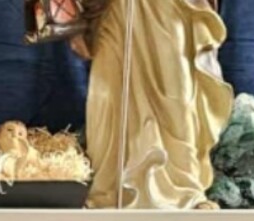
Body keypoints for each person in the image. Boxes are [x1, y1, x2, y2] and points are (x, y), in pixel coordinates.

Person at [76, 0, 233, 210]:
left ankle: (183, 188)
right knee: (112, 93)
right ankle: (111, 189)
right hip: (115, 10)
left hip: (171, 8)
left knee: (176, 95)